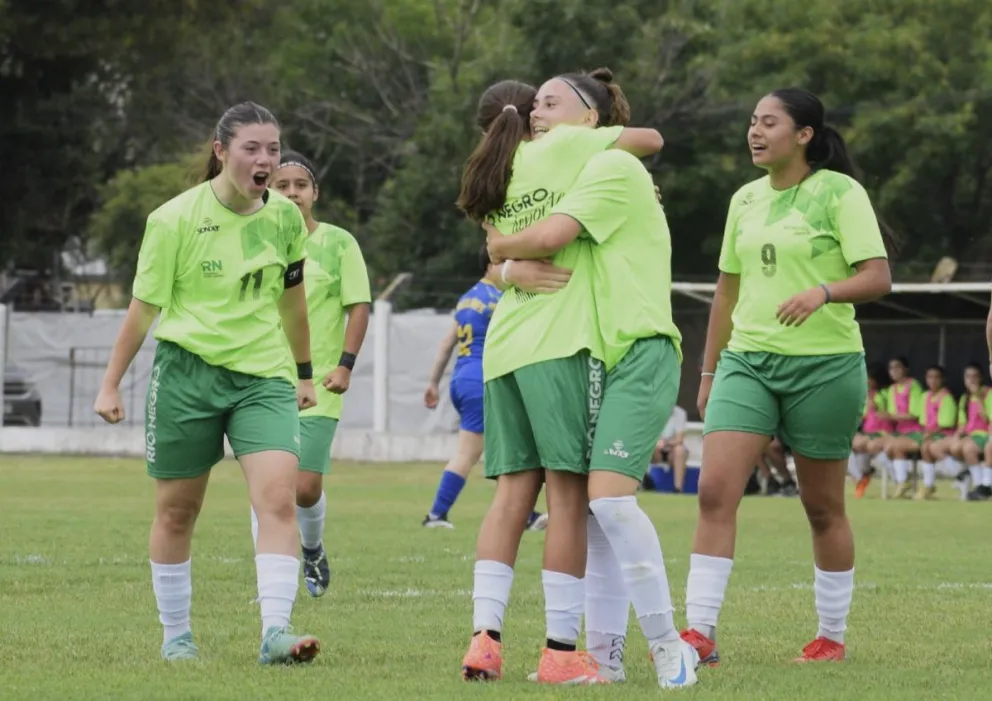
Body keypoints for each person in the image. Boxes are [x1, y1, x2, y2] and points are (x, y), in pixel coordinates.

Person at [486, 68, 698, 689]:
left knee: (604, 499)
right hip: (602, 355)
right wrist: (501, 262)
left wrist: (496, 249)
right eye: (533, 106)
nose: (535, 113)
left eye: (551, 103)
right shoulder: (572, 172)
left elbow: (548, 238)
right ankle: (603, 658)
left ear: (591, 121)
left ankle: (668, 644)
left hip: (639, 349)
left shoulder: (611, 168)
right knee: (598, 512)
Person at [93, 102, 321, 664]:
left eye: (272, 148)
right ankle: (176, 636)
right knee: (177, 511)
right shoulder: (172, 219)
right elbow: (142, 310)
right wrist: (111, 383)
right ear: (221, 152)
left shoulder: (286, 220)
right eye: (252, 148)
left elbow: (292, 301)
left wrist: (304, 371)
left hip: (262, 376)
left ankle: (276, 632)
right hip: (186, 374)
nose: (265, 160)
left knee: (277, 499)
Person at [683, 87, 892, 665]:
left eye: (768, 122)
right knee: (712, 492)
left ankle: (830, 637)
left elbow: (877, 277)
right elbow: (727, 290)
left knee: (822, 507)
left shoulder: (839, 192)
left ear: (803, 135)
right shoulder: (743, 200)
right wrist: (708, 371)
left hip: (825, 368)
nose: (754, 131)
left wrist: (824, 292)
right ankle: (699, 634)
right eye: (751, 121)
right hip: (747, 362)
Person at [245, 150, 372, 598]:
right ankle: (271, 583)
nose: (292, 193)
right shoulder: (253, 240)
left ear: (315, 193)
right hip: (261, 378)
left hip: (318, 385)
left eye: (300, 185)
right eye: (282, 186)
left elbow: (358, 305)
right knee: (268, 483)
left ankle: (312, 547)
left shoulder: (339, 243)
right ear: (266, 190)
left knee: (303, 485)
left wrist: (345, 364)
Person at [422, 246, 548, 531]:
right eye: (506, 263)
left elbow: (446, 344)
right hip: (484, 380)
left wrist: (432, 382)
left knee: (501, 449)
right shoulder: (500, 299)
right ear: (492, 265)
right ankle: (436, 515)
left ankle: (526, 514)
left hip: (462, 378)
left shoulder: (467, 299)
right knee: (476, 452)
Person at [883, 357, 924, 498]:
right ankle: (901, 480)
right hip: (900, 432)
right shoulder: (891, 389)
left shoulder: (913, 385)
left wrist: (889, 416)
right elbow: (893, 414)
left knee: (896, 446)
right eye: (891, 368)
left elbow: (914, 414)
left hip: (916, 432)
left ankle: (903, 480)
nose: (893, 371)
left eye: (897, 367)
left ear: (905, 369)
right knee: (886, 447)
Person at [849, 363, 892, 498]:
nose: (865, 380)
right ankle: (861, 476)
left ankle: (862, 476)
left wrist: (877, 406)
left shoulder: (885, 394)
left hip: (882, 432)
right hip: (869, 432)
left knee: (858, 444)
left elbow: (887, 413)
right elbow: (865, 416)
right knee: (846, 444)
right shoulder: (867, 395)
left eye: (868, 378)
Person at [914, 365, 957, 500]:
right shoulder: (925, 396)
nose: (933, 381)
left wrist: (929, 434)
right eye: (930, 377)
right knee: (925, 446)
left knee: (929, 446)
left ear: (942, 379)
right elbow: (923, 421)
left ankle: (959, 473)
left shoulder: (946, 397)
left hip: (945, 434)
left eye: (936, 377)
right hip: (930, 434)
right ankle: (928, 484)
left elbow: (946, 424)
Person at [951, 364, 992, 500]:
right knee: (955, 446)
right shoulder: (965, 398)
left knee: (968, 448)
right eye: (968, 376)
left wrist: (978, 397)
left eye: (974, 376)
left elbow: (987, 419)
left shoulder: (988, 393)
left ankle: (981, 484)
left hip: (985, 434)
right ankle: (972, 474)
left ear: (981, 378)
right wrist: (957, 434)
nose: (971, 380)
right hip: (972, 435)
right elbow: (963, 424)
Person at [652, 405, 689, 493]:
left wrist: (665, 443)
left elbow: (679, 439)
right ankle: (641, 484)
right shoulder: (652, 411)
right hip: (655, 450)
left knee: (680, 450)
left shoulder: (680, 413)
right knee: (649, 448)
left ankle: (678, 489)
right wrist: (657, 443)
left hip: (672, 450)